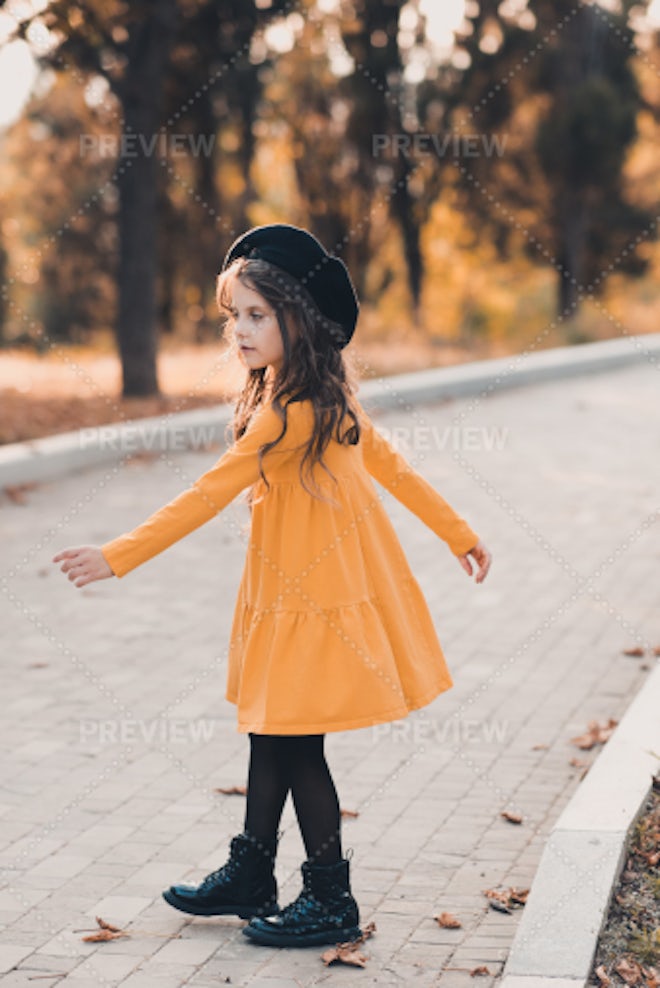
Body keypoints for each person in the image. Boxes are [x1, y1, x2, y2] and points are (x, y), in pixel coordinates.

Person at [52, 223, 492, 949]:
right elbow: (396, 469)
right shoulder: (320, 398)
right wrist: (459, 533)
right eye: (234, 317)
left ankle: (330, 899)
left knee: (295, 745)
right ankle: (254, 870)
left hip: (314, 607)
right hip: (295, 598)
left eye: (257, 314)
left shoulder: (291, 416)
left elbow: (205, 494)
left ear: (299, 320)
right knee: (273, 733)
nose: (241, 332)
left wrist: (117, 555)